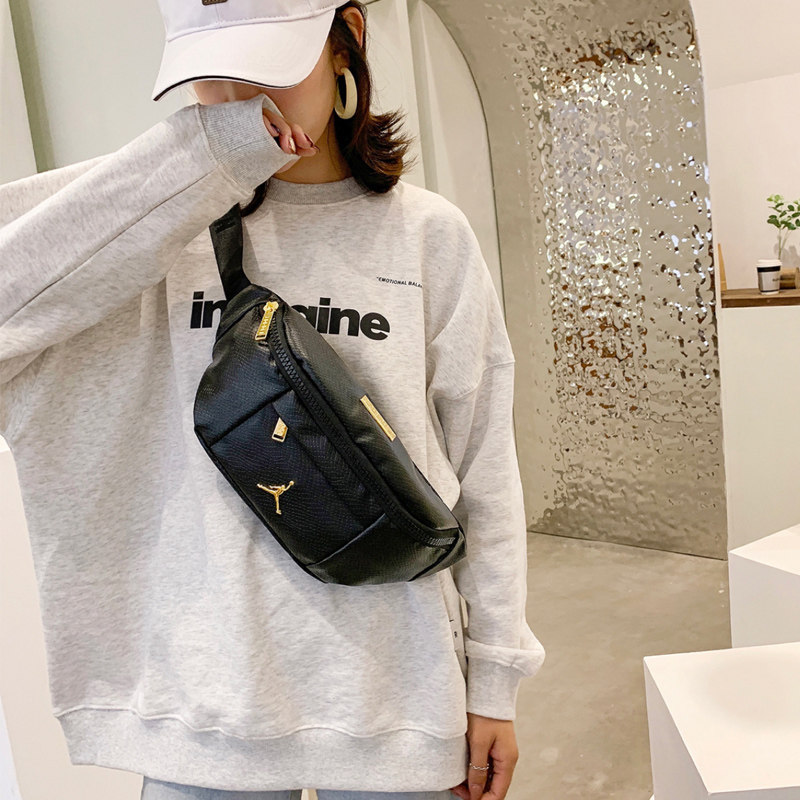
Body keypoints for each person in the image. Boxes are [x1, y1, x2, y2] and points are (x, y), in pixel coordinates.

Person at [0, 1, 546, 799]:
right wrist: (199, 161)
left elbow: (484, 470)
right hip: (205, 711)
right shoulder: (152, 238)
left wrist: (494, 678)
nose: (238, 99)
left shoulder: (428, 236)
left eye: (267, 65)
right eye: (210, 76)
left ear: (345, 42)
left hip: (395, 699)